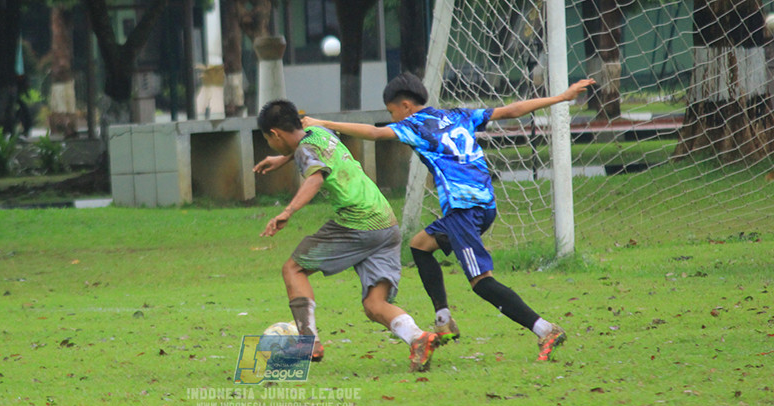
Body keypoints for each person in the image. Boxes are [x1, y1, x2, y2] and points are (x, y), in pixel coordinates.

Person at [302, 72, 596, 361]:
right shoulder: (457, 115)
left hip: (462, 209)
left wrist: (322, 123)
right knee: (420, 246)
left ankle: (545, 329)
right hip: (484, 204)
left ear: (405, 106)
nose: (393, 119)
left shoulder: (414, 124)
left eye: (393, 112)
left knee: (482, 282)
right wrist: (561, 97)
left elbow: (376, 134)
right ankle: (444, 321)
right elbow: (511, 110)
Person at [254, 99, 438, 372]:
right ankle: (419, 338)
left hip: (357, 221)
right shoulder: (318, 132)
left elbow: (315, 178)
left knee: (293, 269)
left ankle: (309, 343)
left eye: (269, 141)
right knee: (375, 305)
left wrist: (288, 212)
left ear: (275, 134)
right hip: (386, 223)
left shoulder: (305, 148)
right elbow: (308, 149)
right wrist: (282, 159)